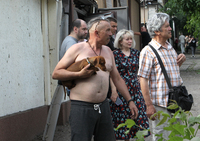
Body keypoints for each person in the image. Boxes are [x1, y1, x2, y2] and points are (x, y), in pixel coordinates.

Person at [52, 17, 138, 141]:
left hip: (103, 106)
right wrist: (79, 75)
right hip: (82, 107)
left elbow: (117, 79)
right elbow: (56, 73)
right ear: (97, 33)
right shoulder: (78, 49)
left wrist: (130, 100)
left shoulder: (108, 51)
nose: (111, 33)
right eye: (108, 30)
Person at [138, 13, 186, 141]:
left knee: (178, 137)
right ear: (157, 31)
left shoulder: (170, 47)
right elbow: (143, 79)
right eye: (167, 26)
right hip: (160, 105)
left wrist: (179, 62)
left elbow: (167, 73)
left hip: (176, 102)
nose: (170, 29)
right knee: (162, 138)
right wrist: (148, 105)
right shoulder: (147, 51)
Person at [109, 29, 150, 140]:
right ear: (120, 41)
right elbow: (112, 75)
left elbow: (140, 70)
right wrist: (113, 91)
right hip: (121, 89)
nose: (130, 41)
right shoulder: (115, 54)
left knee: (140, 114)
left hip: (136, 89)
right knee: (124, 119)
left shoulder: (136, 53)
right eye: (127, 39)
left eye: (131, 39)